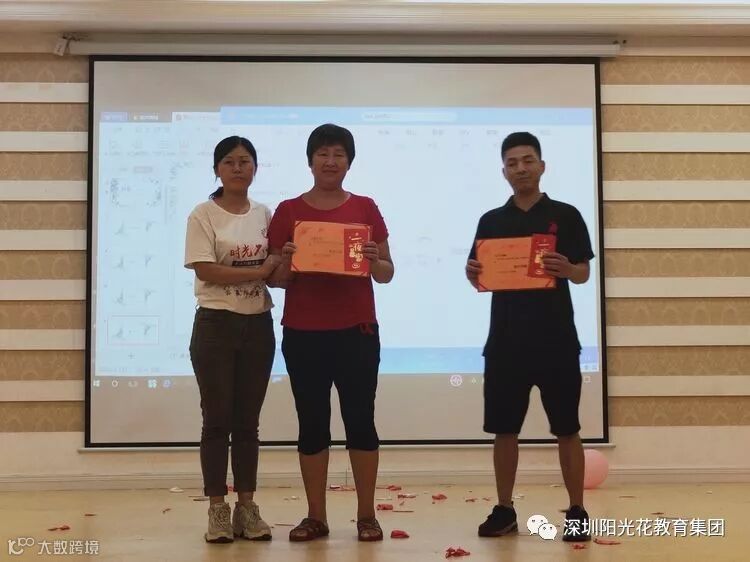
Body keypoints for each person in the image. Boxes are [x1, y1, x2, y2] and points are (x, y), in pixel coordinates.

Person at [267, 124, 394, 542]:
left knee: (361, 423)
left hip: (357, 331)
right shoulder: (288, 211)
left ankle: (367, 516)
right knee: (311, 425)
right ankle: (315, 517)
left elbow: (386, 273)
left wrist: (374, 259)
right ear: (310, 161)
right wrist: (287, 260)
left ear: (349, 162)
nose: (330, 161)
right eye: (322, 153)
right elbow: (276, 279)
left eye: (339, 154)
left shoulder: (365, 207)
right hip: (303, 333)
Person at [465, 132, 594, 542]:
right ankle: (504, 509)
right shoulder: (491, 220)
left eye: (527, 160)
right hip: (505, 342)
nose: (520, 168)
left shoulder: (566, 215)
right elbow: (479, 274)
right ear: (504, 171)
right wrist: (473, 274)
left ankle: (577, 509)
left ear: (541, 165)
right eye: (512, 163)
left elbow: (583, 272)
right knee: (504, 430)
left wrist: (567, 269)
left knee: (567, 429)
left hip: (557, 340)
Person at [185, 136, 280, 543]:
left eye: (245, 161)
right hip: (215, 325)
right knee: (216, 420)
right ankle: (217, 509)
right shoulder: (203, 214)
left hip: (258, 325)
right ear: (217, 170)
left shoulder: (265, 214)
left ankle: (246, 507)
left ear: (255, 168)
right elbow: (205, 270)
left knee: (247, 423)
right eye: (229, 161)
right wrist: (259, 271)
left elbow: (277, 270)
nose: (238, 168)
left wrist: (291, 259)